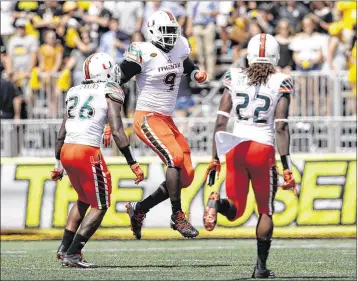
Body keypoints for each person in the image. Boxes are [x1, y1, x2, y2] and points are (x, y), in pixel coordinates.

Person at [203, 34, 297, 278]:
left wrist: (215, 157)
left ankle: (216, 203)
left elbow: (221, 121)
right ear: (275, 56)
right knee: (265, 210)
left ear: (250, 54)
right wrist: (286, 166)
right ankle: (260, 268)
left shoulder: (234, 76)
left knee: (234, 211)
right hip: (262, 148)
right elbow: (280, 127)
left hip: (235, 147)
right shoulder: (281, 80)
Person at [115, 10, 208, 239]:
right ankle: (177, 216)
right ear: (153, 31)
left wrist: (195, 72)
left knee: (185, 176)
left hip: (167, 118)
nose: (170, 36)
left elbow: (185, 62)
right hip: (147, 116)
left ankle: (140, 209)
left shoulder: (180, 46)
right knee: (174, 158)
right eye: (165, 31)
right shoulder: (143, 51)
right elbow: (116, 82)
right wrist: (111, 119)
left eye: (172, 31)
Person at [50, 53, 144, 268]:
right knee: (100, 205)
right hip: (87, 151)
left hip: (67, 151)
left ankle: (65, 248)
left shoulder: (74, 90)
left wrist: (57, 164)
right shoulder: (110, 90)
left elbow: (61, 132)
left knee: (83, 199)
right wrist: (132, 162)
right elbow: (119, 131)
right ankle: (73, 253)